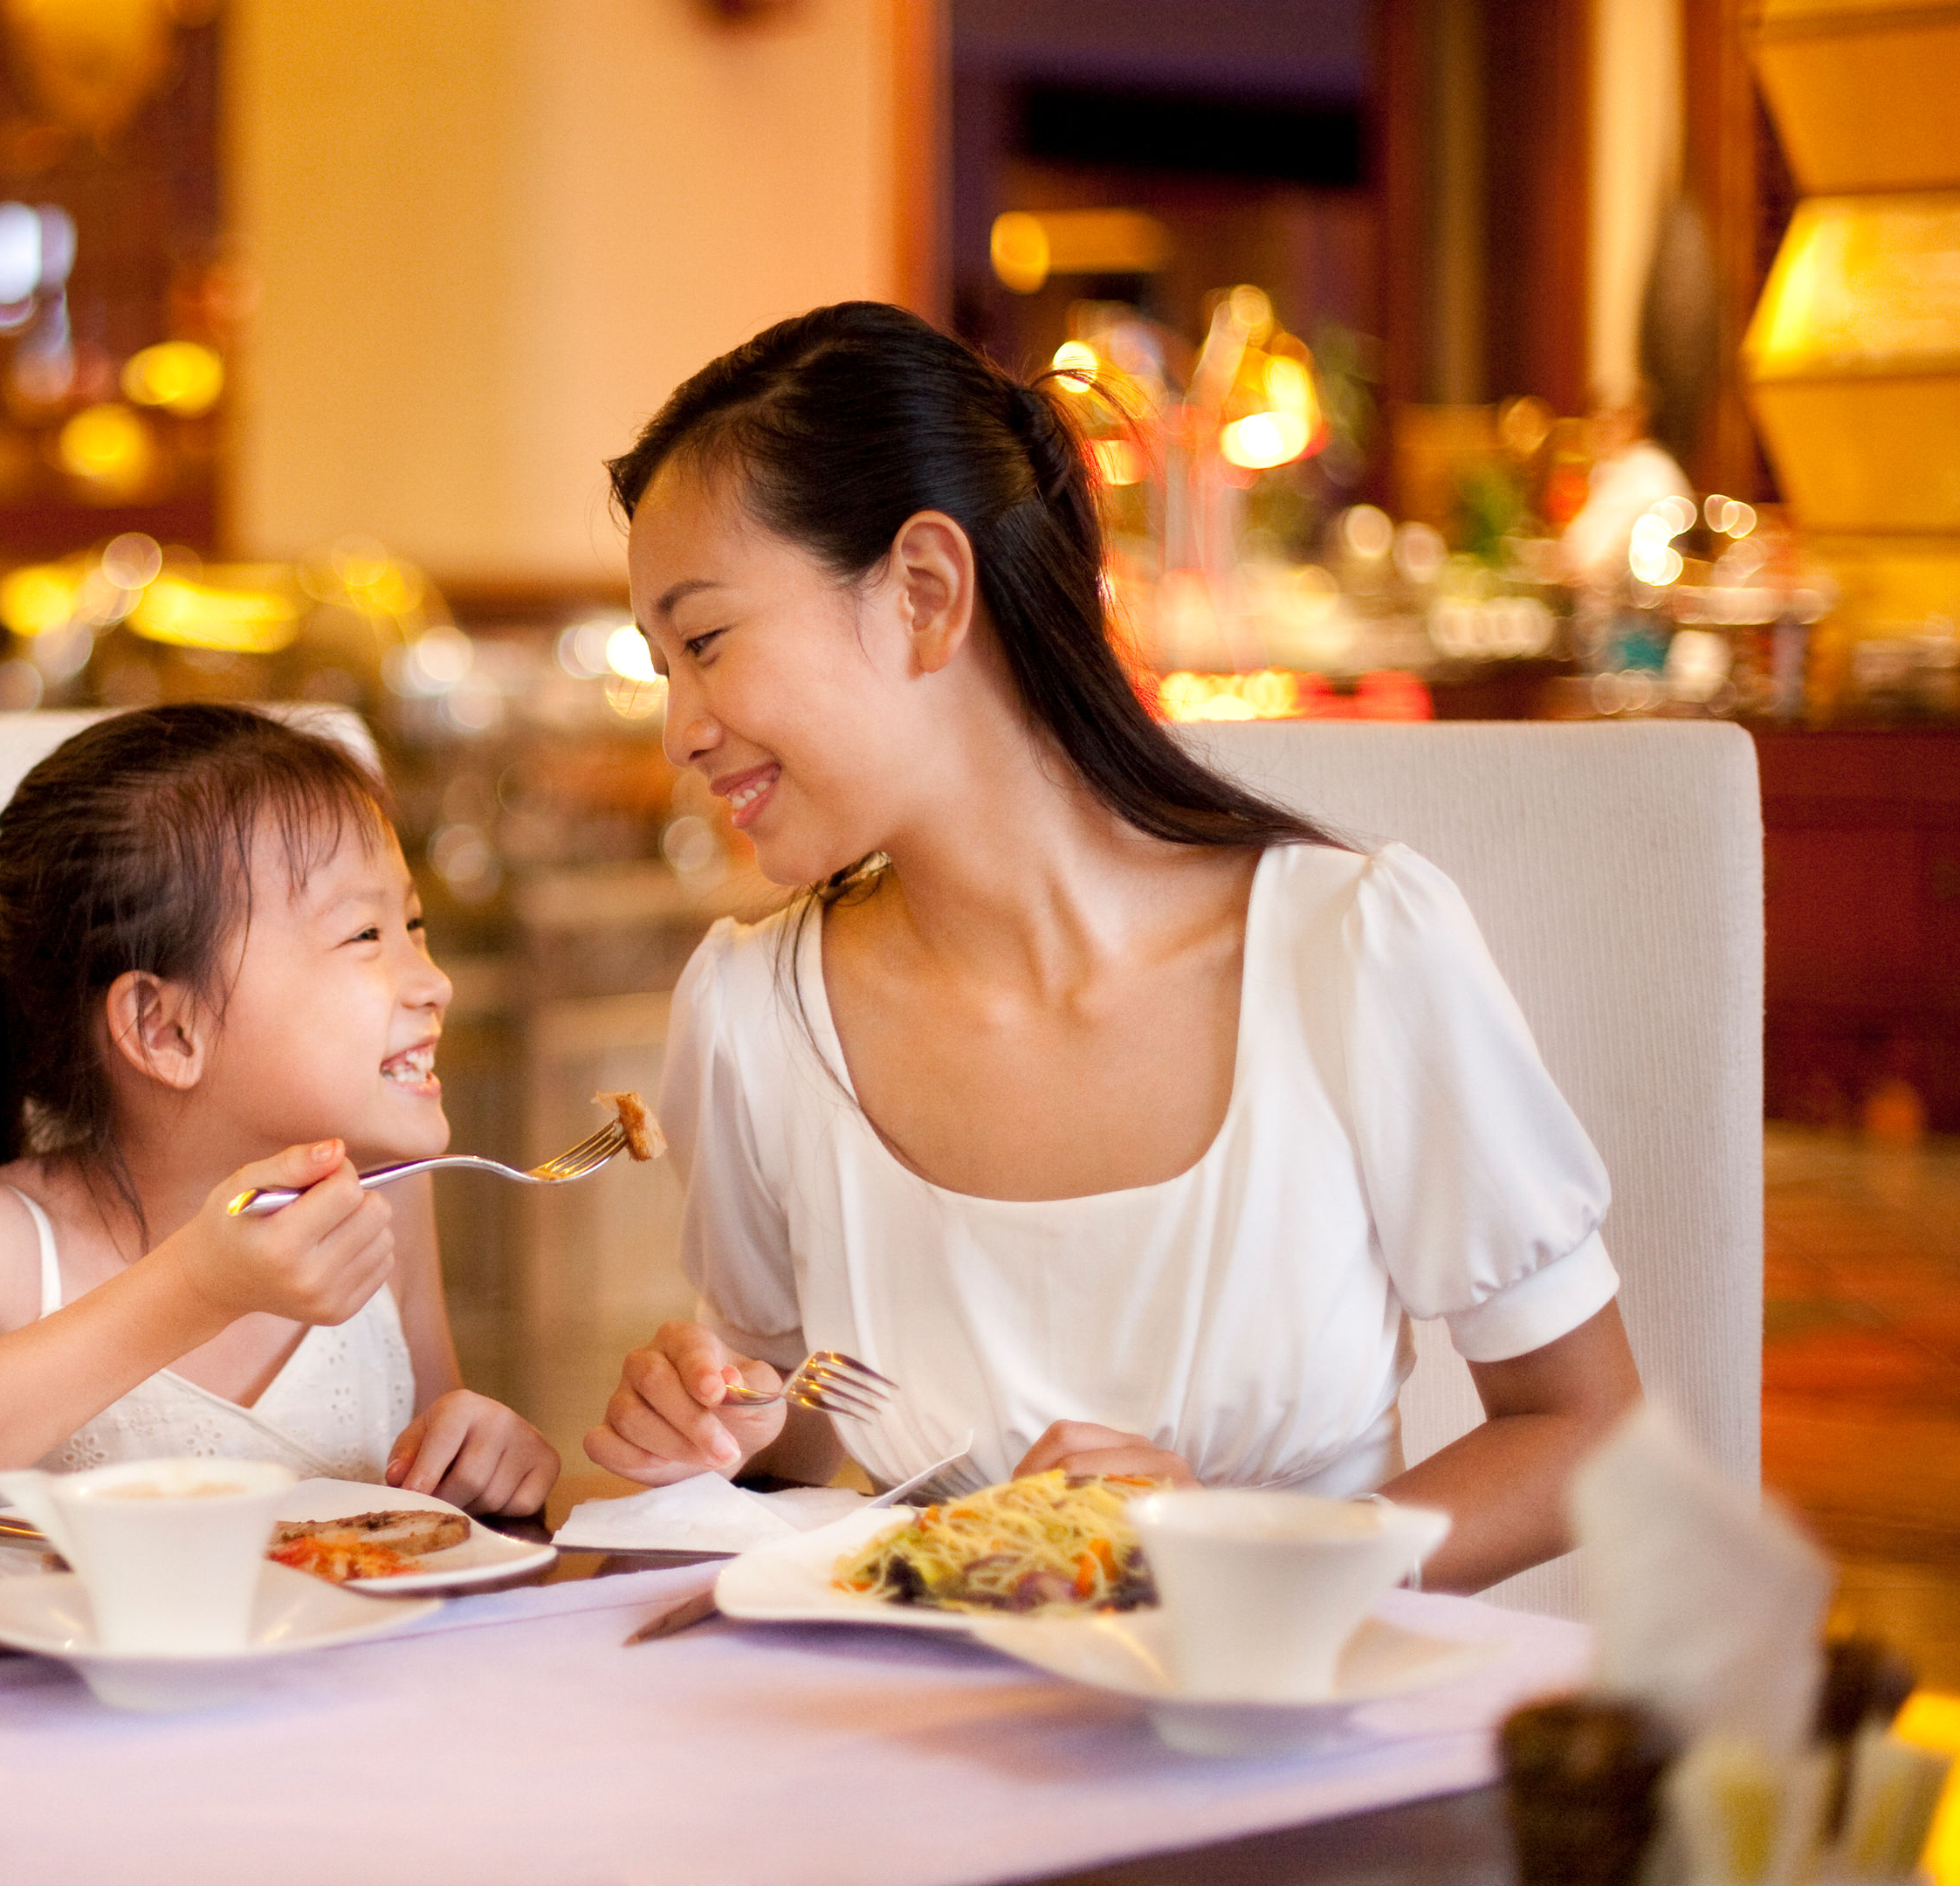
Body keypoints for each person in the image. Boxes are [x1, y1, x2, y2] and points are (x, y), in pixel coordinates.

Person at [587, 303, 1640, 1593]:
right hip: (909, 1749)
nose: (679, 731)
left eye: (703, 644)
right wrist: (720, 1425)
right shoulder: (754, 1016)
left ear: (925, 592)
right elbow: (789, 1450)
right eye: (661, 668)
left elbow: (1587, 1434)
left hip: (1288, 1751)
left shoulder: (1351, 953)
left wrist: (1251, 1557)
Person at [0, 706, 558, 1550]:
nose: (434, 984)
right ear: (166, 1030)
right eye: (364, 934)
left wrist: (482, 1456)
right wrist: (197, 1289)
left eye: (413, 928)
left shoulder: (385, 1196)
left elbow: (427, 1497)